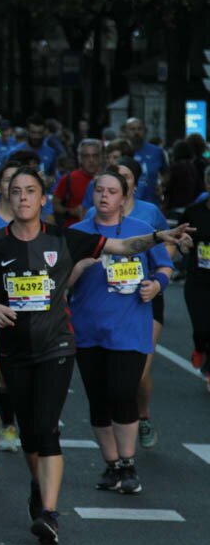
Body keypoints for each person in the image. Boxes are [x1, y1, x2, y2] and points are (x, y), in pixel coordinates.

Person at [0, 166, 192, 545]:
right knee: (29, 434)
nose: (23, 198)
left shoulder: (65, 238)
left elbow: (121, 247)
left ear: (43, 200)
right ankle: (38, 489)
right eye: (17, 191)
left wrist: (159, 236)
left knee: (47, 427)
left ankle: (50, 514)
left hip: (56, 346)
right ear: (8, 198)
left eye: (31, 191)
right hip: (14, 350)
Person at [70, 170, 173, 494]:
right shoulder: (76, 233)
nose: (104, 196)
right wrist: (81, 267)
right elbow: (59, 282)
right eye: (99, 190)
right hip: (88, 327)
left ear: (124, 196)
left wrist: (156, 284)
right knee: (98, 398)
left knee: (122, 392)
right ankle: (111, 464)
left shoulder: (142, 231)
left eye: (111, 191)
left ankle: (128, 464)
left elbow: (166, 267)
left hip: (130, 326)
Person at [182, 166, 210, 391]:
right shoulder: (195, 212)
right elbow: (181, 238)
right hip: (198, 279)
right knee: (202, 328)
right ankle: (200, 346)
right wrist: (184, 245)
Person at [52, 139, 103, 226]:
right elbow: (55, 205)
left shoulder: (110, 179)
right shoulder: (69, 179)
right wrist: (70, 211)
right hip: (74, 230)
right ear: (80, 158)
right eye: (86, 156)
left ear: (101, 157)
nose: (91, 160)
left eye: (95, 156)